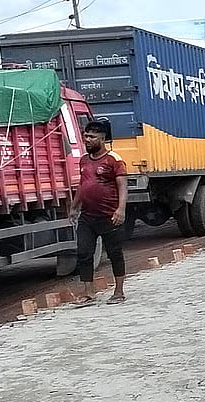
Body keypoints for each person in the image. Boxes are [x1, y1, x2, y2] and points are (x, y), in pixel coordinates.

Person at [70, 120, 128, 304]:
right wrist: (74, 207)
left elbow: (122, 186)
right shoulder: (84, 160)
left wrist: (121, 209)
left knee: (114, 253)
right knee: (83, 252)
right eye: (86, 136)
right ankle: (89, 292)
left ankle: (118, 292)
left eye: (92, 137)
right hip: (88, 216)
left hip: (109, 215)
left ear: (102, 139)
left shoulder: (114, 160)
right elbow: (82, 185)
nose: (87, 139)